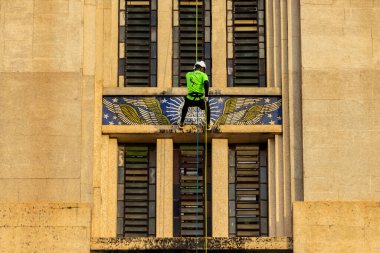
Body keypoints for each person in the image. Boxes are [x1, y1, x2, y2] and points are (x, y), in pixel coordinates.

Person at [179, 60, 211, 130]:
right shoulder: (203, 75)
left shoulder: (188, 74)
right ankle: (208, 124)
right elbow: (206, 83)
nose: (204, 70)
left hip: (190, 99)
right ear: (202, 68)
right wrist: (206, 96)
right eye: (203, 69)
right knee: (207, 108)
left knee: (185, 107)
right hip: (200, 99)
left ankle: (181, 122)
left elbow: (193, 76)